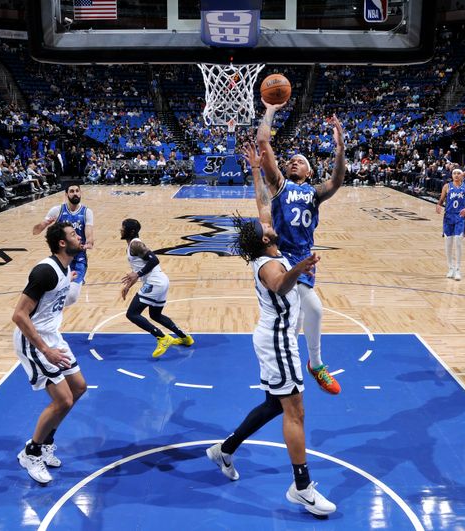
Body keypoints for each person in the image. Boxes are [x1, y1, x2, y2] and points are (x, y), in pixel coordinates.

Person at [206, 143, 335, 516]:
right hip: (278, 340)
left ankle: (224, 449)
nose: (269, 223)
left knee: (273, 404)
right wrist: (304, 265)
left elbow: (263, 203)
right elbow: (281, 285)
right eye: (265, 228)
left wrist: (255, 170)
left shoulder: (269, 245)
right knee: (295, 409)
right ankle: (302, 487)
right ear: (264, 239)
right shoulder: (267, 263)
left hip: (272, 336)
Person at [256, 101, 346, 395]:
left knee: (298, 320)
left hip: (306, 259)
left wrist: (340, 147)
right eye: (291, 159)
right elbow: (263, 142)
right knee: (313, 311)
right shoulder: (280, 185)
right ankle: (316, 364)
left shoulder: (314, 193)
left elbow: (336, 180)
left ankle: (294, 369)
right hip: (282, 259)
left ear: (308, 172)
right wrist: (270, 109)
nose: (294, 161)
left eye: (301, 160)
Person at [12, 221, 88, 484]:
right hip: (34, 342)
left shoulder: (63, 269)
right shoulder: (45, 271)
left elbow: (52, 302)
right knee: (63, 401)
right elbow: (19, 315)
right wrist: (45, 349)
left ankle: (45, 443)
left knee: (78, 388)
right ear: (62, 243)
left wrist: (69, 283)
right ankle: (31, 452)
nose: (79, 237)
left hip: (53, 337)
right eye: (73, 234)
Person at [119, 218, 193, 358]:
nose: (121, 230)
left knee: (132, 314)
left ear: (131, 231)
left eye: (123, 227)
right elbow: (140, 270)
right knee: (155, 315)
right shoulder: (132, 246)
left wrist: (137, 274)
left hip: (155, 282)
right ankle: (185, 337)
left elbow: (154, 260)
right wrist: (129, 285)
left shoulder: (136, 244)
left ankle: (162, 337)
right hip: (160, 280)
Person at [33, 184, 94, 306]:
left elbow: (89, 235)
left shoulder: (87, 212)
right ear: (66, 194)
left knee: (71, 297)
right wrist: (44, 223)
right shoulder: (57, 210)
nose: (75, 193)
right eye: (72, 191)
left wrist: (88, 242)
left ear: (80, 193)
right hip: (60, 259)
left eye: (77, 191)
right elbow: (35, 231)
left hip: (78, 259)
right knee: (50, 290)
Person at [436, 168, 465, 280]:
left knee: (458, 240)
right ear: (451, 175)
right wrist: (438, 205)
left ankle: (458, 269)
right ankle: (450, 268)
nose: (456, 175)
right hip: (448, 216)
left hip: (460, 216)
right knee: (448, 243)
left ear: (462, 175)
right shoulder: (447, 186)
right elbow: (441, 199)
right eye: (454, 173)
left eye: (458, 173)